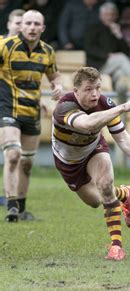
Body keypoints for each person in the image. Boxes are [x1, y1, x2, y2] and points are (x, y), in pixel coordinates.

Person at [52, 66, 130, 261]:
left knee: (105, 186)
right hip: (68, 162)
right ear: (76, 91)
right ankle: (125, 193)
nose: (95, 93)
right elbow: (88, 123)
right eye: (89, 89)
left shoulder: (105, 104)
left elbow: (122, 138)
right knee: (95, 201)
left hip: (94, 150)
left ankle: (116, 247)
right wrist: (123, 107)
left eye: (98, 87)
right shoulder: (64, 107)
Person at [0, 10, 63, 222]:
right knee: (13, 155)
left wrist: (58, 87)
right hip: (7, 109)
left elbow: (54, 76)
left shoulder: (48, 52)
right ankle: (11, 207)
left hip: (32, 112)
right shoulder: (6, 46)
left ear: (43, 28)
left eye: (37, 23)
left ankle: (22, 207)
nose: (32, 27)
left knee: (26, 163)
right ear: (21, 26)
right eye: (28, 23)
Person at [83, 2, 130, 86]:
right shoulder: (93, 28)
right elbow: (89, 47)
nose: (109, 17)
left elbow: (127, 53)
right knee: (120, 58)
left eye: (112, 15)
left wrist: (119, 35)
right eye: (107, 15)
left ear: (116, 16)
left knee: (120, 73)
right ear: (101, 15)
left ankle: (119, 96)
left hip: (113, 65)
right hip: (97, 66)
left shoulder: (115, 29)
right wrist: (107, 55)